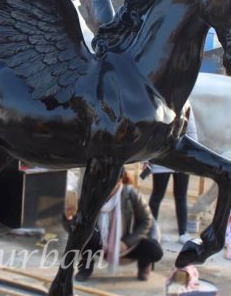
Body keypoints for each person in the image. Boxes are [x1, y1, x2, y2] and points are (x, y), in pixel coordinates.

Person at [64, 169, 163, 282]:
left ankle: (144, 266)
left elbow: (147, 220)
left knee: (154, 250)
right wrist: (69, 219)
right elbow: (77, 225)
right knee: (85, 235)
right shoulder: (92, 196)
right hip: (101, 241)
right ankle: (85, 268)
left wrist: (127, 242)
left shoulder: (131, 194)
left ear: (119, 181)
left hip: (128, 241)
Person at [146, 103, 198, 245]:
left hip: (181, 159)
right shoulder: (160, 100)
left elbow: (192, 131)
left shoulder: (187, 103)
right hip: (161, 158)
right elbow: (150, 130)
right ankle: (151, 231)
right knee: (157, 195)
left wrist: (192, 156)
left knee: (181, 196)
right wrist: (146, 157)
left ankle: (183, 233)